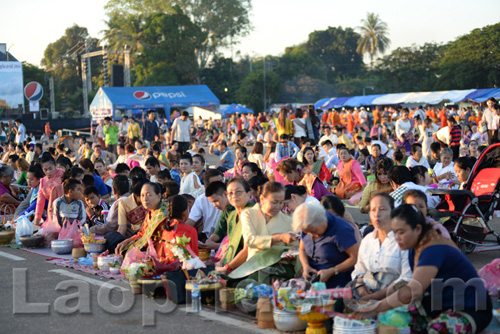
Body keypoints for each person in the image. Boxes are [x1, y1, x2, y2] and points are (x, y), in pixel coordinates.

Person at [355, 204, 492, 334]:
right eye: (394, 232)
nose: (396, 238)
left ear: (418, 229)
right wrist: (375, 302)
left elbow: (412, 289)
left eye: (401, 232)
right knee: (397, 321)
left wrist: (375, 307)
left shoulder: (433, 248)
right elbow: (406, 284)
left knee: (437, 329)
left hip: (472, 309)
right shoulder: (414, 246)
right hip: (439, 305)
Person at [351, 193, 412, 300]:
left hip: (395, 299)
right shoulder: (367, 240)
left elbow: (406, 278)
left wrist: (377, 296)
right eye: (373, 210)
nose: (377, 214)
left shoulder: (403, 240)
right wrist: (360, 288)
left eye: (382, 209)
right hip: (366, 297)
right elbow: (359, 271)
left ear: (393, 212)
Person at [116, 189, 198, 265]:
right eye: (143, 195)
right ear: (184, 213)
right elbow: (195, 256)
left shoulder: (165, 229)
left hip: (165, 265)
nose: (145, 199)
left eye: (148, 195)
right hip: (182, 267)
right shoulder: (190, 230)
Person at [236, 182, 298, 282]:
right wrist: (279, 238)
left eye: (281, 202)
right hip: (254, 267)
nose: (278, 206)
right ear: (262, 199)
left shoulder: (289, 221)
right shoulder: (248, 214)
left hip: (280, 268)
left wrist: (292, 254)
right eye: (274, 202)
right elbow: (250, 240)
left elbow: (296, 247)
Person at [293, 202, 358, 288]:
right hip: (313, 278)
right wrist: (306, 266)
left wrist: (332, 271)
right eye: (307, 232)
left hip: (338, 280)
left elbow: (355, 258)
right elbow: (302, 249)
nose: (311, 235)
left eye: (314, 231)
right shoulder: (307, 224)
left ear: (323, 222)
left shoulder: (341, 230)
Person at [214, 178, 255, 273]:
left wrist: (227, 267)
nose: (234, 196)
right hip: (234, 263)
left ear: (248, 194)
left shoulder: (252, 212)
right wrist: (220, 263)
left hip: (251, 265)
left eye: (239, 192)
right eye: (230, 193)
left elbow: (247, 250)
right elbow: (231, 245)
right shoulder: (232, 215)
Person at [185, 169, 224, 242]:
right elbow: (191, 220)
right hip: (208, 236)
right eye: (215, 184)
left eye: (221, 181)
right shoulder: (201, 199)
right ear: (206, 187)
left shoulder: (231, 197)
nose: (220, 186)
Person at [34, 154, 65, 226]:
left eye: (50, 169)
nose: (48, 172)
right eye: (45, 170)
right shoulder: (43, 181)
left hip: (66, 211)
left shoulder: (63, 174)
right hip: (52, 212)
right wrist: (37, 220)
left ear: (55, 165)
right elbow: (40, 202)